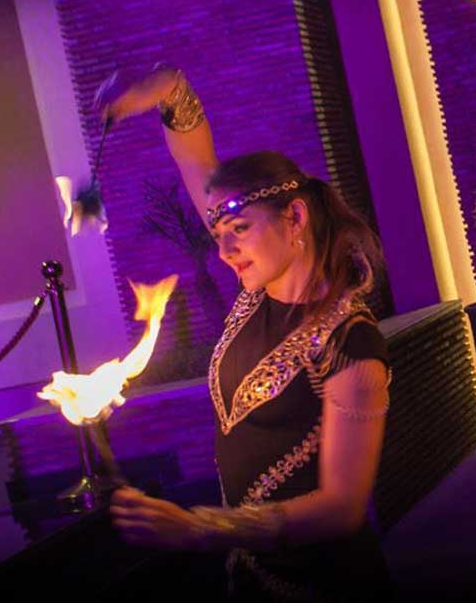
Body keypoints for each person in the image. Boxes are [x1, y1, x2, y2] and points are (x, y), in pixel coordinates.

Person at [99, 67, 393, 601]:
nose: (224, 250)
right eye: (218, 233)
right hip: (249, 576)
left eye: (239, 229)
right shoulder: (255, 295)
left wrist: (200, 528)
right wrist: (157, 90)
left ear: (294, 217)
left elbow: (343, 508)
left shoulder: (351, 345)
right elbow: (192, 152)